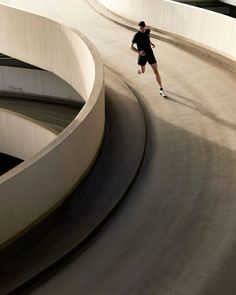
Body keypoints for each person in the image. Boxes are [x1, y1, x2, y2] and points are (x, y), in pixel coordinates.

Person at [130, 21, 167, 98]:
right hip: (142, 56)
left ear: (145, 26)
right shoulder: (136, 35)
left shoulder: (147, 31)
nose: (142, 29)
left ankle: (161, 89)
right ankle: (140, 69)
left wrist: (151, 43)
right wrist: (139, 52)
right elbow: (130, 47)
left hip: (150, 54)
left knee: (156, 71)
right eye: (140, 28)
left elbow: (147, 38)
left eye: (143, 28)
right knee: (143, 71)